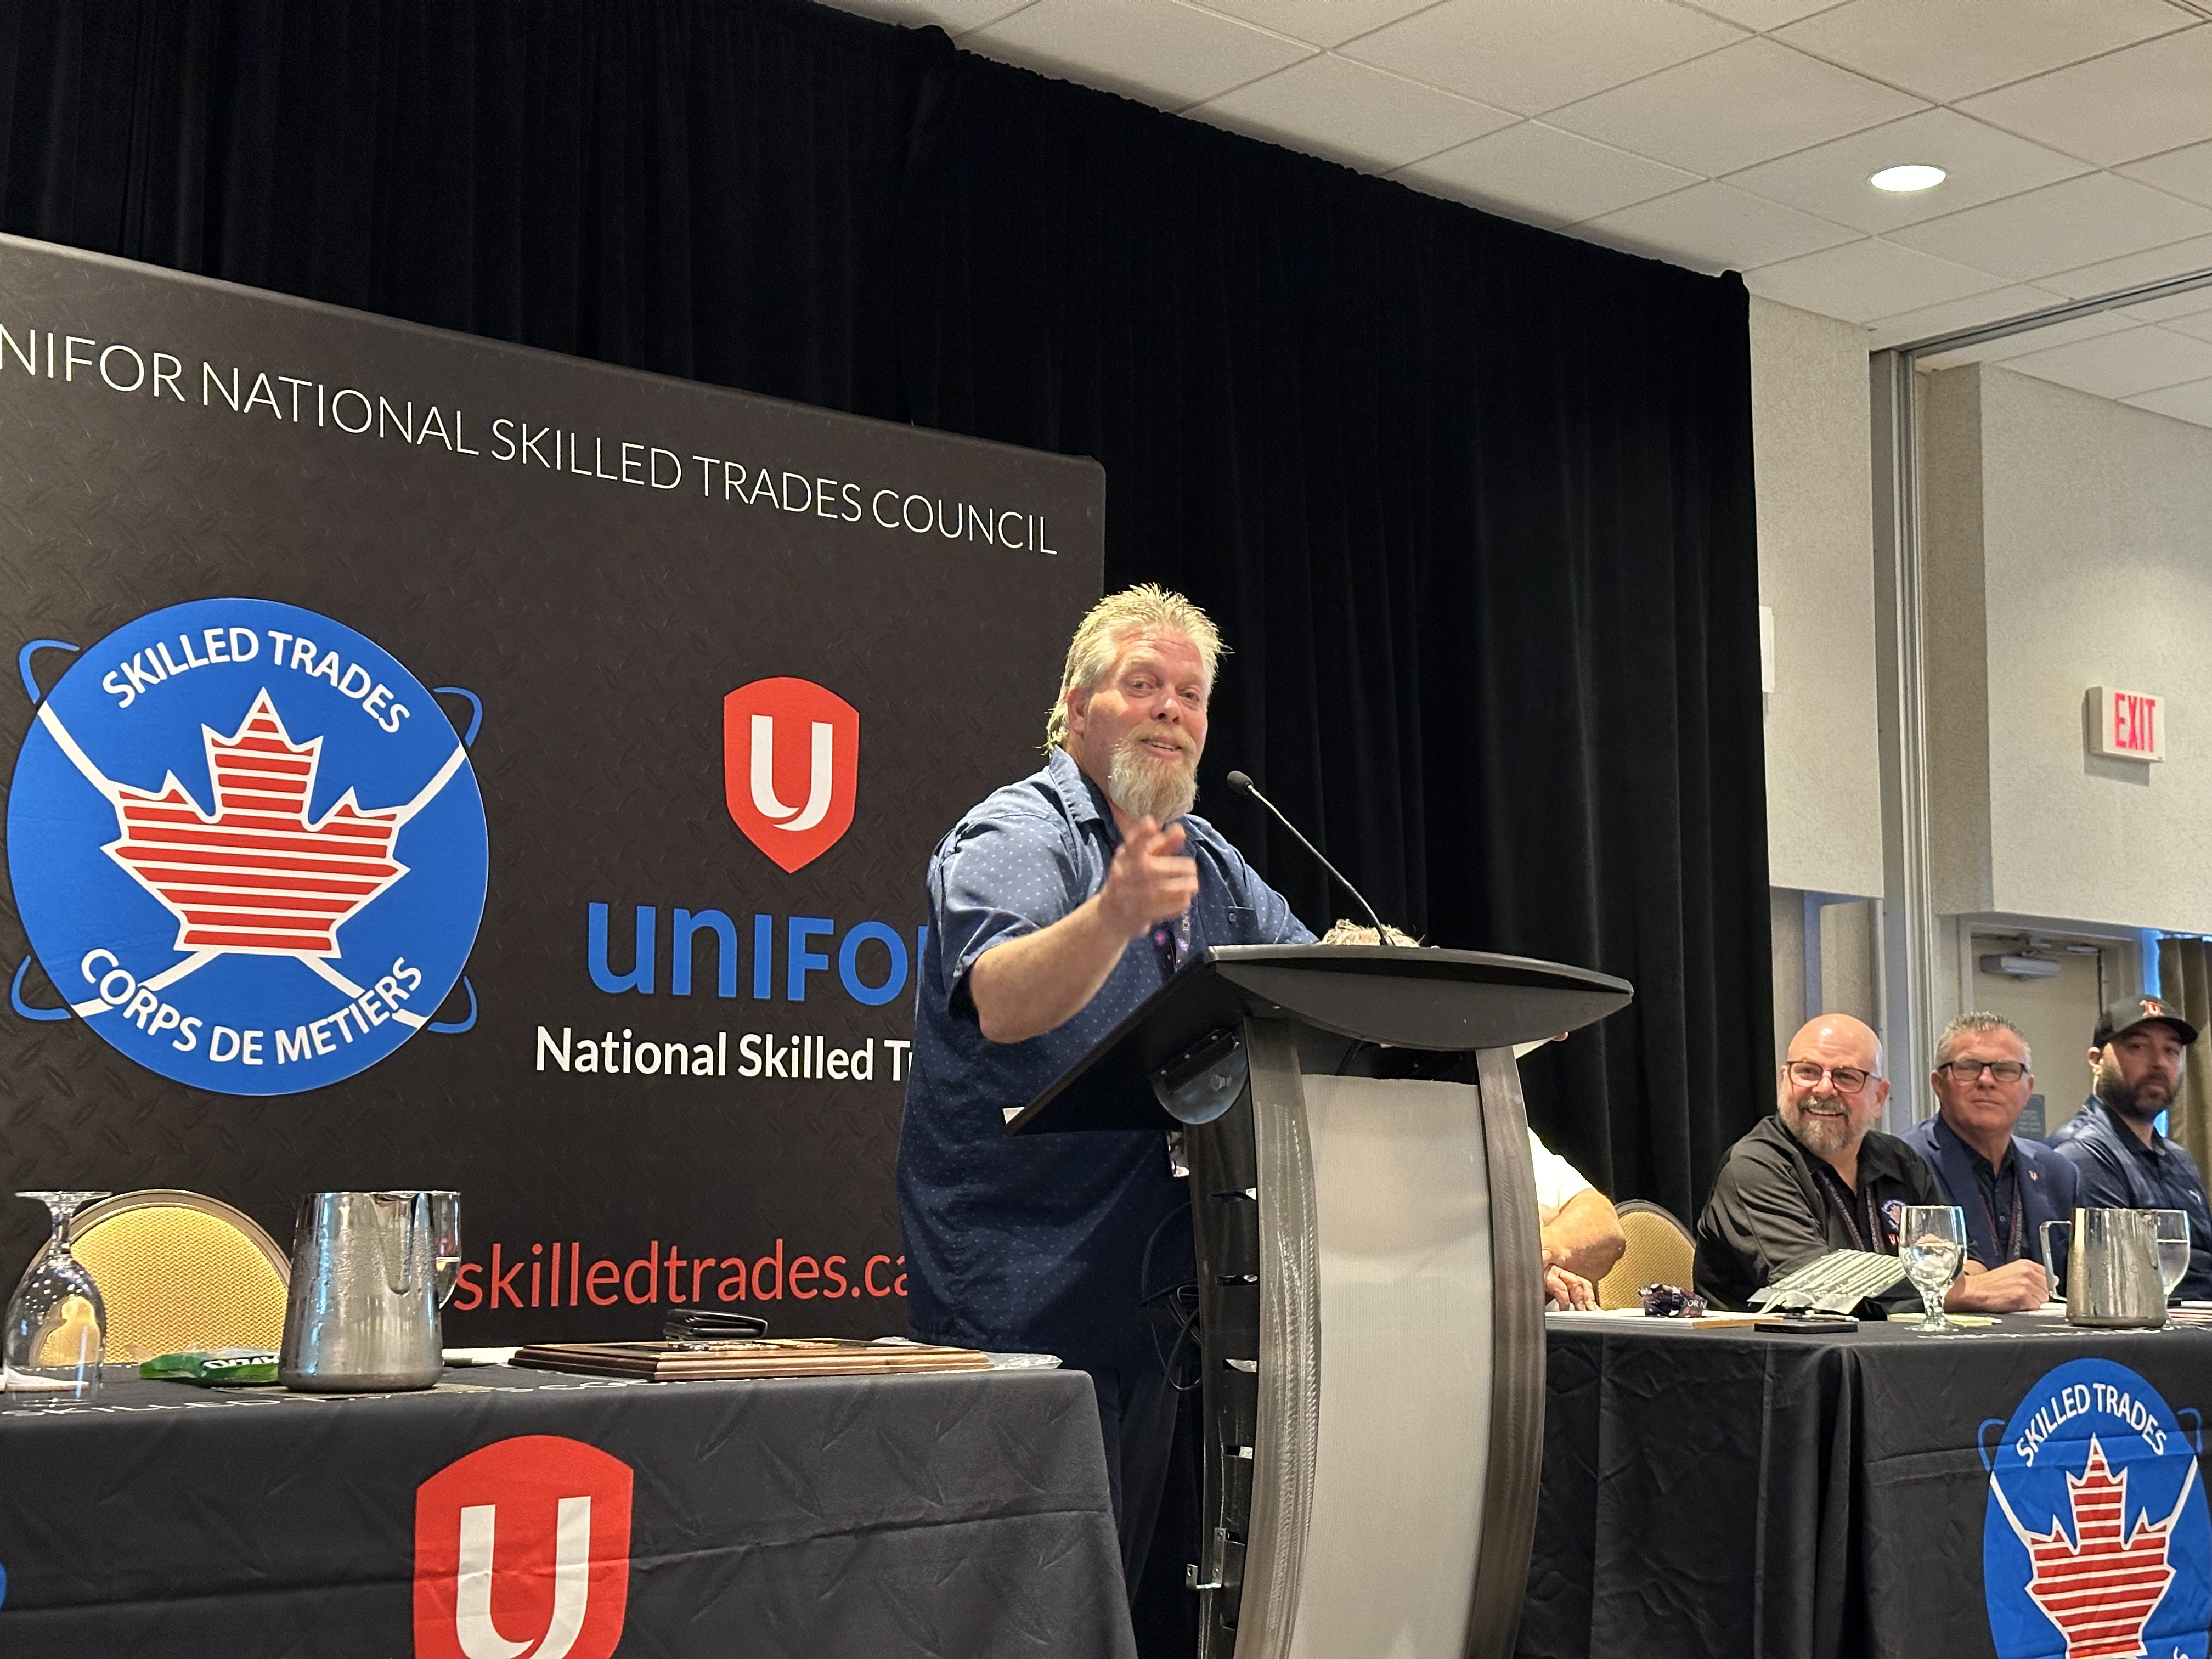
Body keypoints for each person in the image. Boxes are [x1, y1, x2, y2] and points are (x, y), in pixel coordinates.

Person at [896, 584, 1312, 1599]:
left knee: (1108, 1601)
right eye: (1143, 685)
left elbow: (1314, 977)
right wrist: (1114, 912)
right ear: (1078, 709)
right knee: (1014, 1609)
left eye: (1190, 693)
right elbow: (1000, 997)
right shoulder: (1017, 834)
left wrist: (1445, 999)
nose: (1172, 708)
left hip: (1152, 1299)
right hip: (1019, 1301)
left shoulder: (1209, 858)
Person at [1316, 923, 1624, 1308]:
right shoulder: (1314, 1128)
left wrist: (1538, 1252)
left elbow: (1603, 1224)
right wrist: (1500, 1266)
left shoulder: (1472, 1111)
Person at [1695, 1013, 2047, 1312]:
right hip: (1777, 1375)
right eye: (1807, 1072)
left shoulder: (1900, 1161)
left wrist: (1955, 1280)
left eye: (1847, 1076)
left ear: (1879, 1097)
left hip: (1894, 1360)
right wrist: (1963, 1292)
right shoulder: (1754, 1167)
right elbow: (1812, 1287)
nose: (1823, 1088)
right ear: (1783, 1081)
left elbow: (1961, 1261)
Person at [2049, 995, 2212, 1300]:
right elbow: (2123, 1282)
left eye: (2172, 1051)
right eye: (2138, 1047)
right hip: (2153, 1335)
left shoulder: (2180, 1160)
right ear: (2096, 1061)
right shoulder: (2080, 1153)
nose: (2159, 1063)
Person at [1901, 1012, 2075, 1284]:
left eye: (2005, 1070)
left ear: (2028, 1089)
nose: (1986, 1080)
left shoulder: (2059, 1173)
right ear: (1938, 1085)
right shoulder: (1904, 1162)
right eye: (1968, 1068)